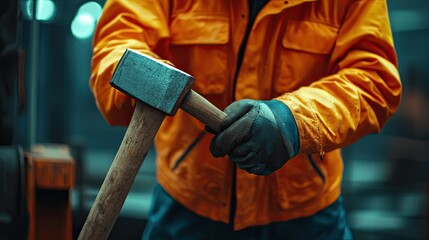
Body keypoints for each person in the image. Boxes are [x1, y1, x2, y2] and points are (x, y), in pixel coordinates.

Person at [89, 0, 402, 239]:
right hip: (186, 209)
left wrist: (294, 121)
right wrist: (139, 78)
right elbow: (118, 43)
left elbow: (373, 80)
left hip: (306, 218)